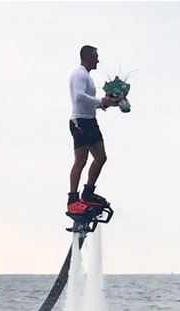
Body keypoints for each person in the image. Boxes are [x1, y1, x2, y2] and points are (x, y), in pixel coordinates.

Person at [67, 45, 124, 212]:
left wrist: (108, 102)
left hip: (91, 121)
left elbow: (89, 101)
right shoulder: (80, 74)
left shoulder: (88, 77)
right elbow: (79, 97)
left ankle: (88, 193)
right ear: (89, 57)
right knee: (81, 160)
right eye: (96, 56)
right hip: (80, 122)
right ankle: (72, 199)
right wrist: (100, 101)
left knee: (101, 157)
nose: (98, 60)